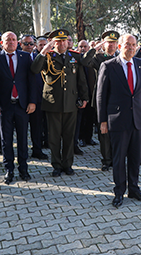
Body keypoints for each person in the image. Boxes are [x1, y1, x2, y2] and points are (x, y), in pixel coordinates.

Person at [96, 34, 141, 208]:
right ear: (120, 46)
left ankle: (134, 189)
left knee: (135, 157)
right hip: (118, 120)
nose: (131, 48)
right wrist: (102, 121)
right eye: (127, 44)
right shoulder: (108, 66)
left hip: (138, 119)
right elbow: (101, 96)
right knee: (119, 158)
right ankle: (119, 191)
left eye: (134, 45)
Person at [31, 29, 89, 177]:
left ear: (68, 42)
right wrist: (44, 51)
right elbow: (35, 69)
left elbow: (81, 80)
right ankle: (56, 165)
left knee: (69, 136)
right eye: (58, 41)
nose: (62, 43)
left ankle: (67, 164)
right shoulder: (48, 56)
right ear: (53, 43)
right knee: (54, 137)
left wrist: (84, 97)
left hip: (71, 102)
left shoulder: (75, 57)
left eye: (64, 40)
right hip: (53, 102)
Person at [0, 32, 37, 184]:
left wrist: (32, 101)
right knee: (6, 140)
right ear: (1, 43)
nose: (11, 42)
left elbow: (32, 82)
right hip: (4, 106)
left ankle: (23, 168)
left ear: (18, 42)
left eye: (13, 40)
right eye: (7, 40)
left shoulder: (25, 57)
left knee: (23, 139)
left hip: (22, 106)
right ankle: (9, 169)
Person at [82, 30, 120, 171]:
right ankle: (106, 160)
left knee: (116, 130)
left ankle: (116, 157)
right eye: (108, 43)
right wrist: (94, 48)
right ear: (104, 44)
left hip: (117, 100)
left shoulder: (120, 56)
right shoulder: (98, 57)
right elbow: (85, 61)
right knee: (103, 131)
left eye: (114, 42)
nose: (111, 45)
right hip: (103, 99)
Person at [75, 40, 98, 149]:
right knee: (81, 118)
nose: (83, 48)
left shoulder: (92, 59)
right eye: (81, 47)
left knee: (90, 117)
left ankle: (89, 138)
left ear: (89, 48)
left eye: (85, 46)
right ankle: (80, 139)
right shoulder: (76, 59)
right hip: (81, 94)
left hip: (92, 93)